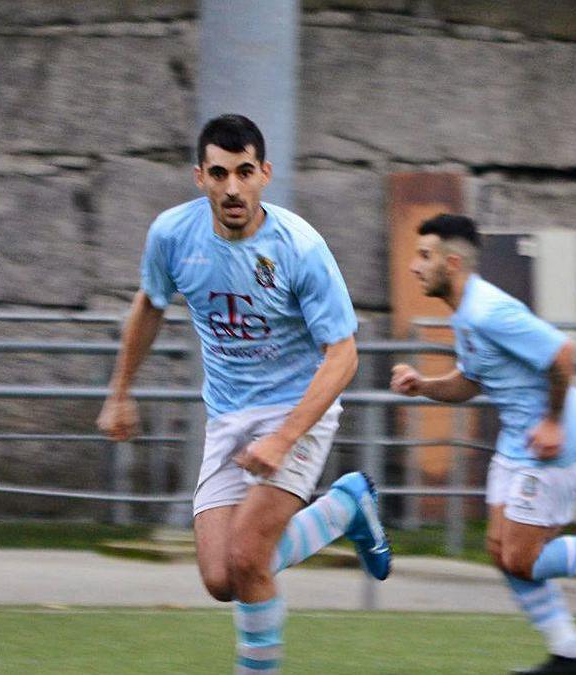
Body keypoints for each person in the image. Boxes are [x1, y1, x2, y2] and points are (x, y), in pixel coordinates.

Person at [97, 114, 390, 675]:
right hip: (228, 414)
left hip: (298, 411)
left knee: (249, 557)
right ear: (199, 177)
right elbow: (150, 305)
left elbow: (344, 355)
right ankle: (347, 506)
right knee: (220, 578)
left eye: (245, 172)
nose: (233, 187)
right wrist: (120, 392)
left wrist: (284, 438)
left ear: (266, 174)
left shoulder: (300, 246)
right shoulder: (172, 235)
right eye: (219, 173)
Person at [391, 214, 576, 675]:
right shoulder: (467, 314)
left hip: (557, 444)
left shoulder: (489, 311)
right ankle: (569, 654)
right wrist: (424, 385)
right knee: (501, 551)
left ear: (452, 263)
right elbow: (471, 381)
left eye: (425, 256)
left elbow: (561, 353)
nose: (415, 266)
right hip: (518, 444)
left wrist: (551, 422)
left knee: (524, 558)